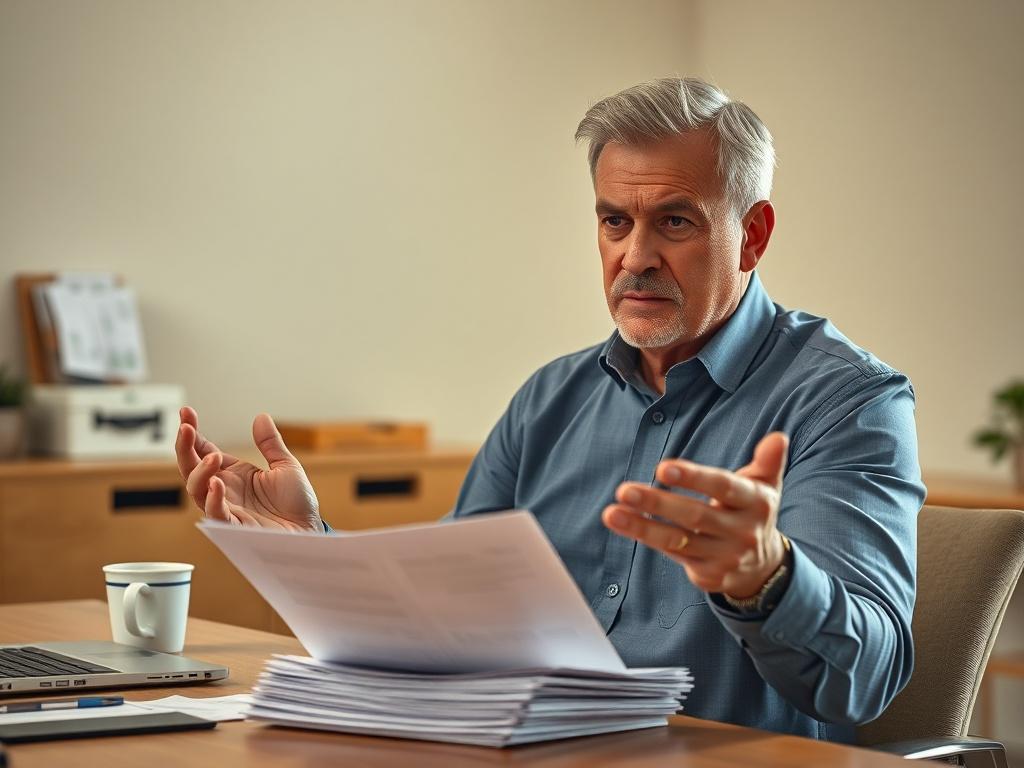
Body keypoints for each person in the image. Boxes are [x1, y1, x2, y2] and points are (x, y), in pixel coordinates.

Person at [175, 78, 924, 743]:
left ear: (752, 236)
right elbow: (444, 615)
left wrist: (767, 577)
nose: (634, 257)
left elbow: (863, 683)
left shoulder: (849, 402)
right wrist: (309, 544)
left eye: (674, 222)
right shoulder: (549, 399)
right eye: (613, 222)